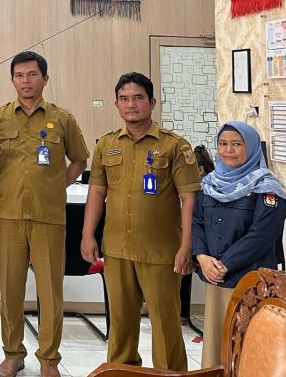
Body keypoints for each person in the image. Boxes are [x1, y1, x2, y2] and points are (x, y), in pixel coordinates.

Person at [81, 72, 201, 371]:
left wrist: (187, 246)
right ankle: (122, 372)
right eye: (124, 99)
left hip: (160, 251)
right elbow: (97, 192)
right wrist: (87, 235)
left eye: (138, 98)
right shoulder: (107, 144)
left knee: (165, 323)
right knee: (121, 324)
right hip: (117, 248)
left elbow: (189, 199)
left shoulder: (175, 146)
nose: (131, 104)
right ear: (117, 104)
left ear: (152, 102)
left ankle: (170, 374)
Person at [0, 51, 89, 377]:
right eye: (19, 75)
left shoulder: (63, 119)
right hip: (8, 216)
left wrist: (57, 186)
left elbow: (80, 160)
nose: (25, 81)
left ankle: (48, 359)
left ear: (45, 79)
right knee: (10, 290)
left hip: (48, 217)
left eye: (32, 75)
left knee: (50, 292)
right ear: (12, 80)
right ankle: (13, 354)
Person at [192, 121, 286, 367]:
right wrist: (201, 257)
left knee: (249, 348)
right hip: (216, 280)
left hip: (251, 281)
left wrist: (224, 264)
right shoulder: (210, 184)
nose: (229, 150)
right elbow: (196, 222)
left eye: (237, 144)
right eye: (223, 144)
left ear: (252, 147)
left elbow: (262, 235)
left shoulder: (267, 188)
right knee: (218, 346)